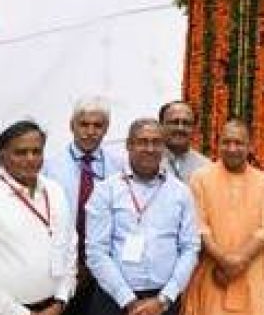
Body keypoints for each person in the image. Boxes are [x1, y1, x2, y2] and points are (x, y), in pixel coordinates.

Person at [0, 120, 75, 315]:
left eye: (37, 151)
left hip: (53, 308)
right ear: (1, 157)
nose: (30, 158)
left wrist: (61, 299)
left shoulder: (56, 192)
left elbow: (69, 247)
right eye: (20, 152)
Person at [85, 119, 201, 315]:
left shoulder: (181, 192)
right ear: (129, 145)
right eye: (142, 141)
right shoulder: (106, 191)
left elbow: (190, 248)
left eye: (156, 142)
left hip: (164, 301)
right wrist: (128, 300)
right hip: (114, 300)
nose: (150, 148)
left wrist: (164, 299)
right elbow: (96, 251)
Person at [182, 120, 264, 315]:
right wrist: (223, 260)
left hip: (251, 274)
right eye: (226, 142)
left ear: (250, 146)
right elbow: (198, 225)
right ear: (218, 144)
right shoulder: (200, 178)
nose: (232, 148)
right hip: (213, 273)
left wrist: (238, 262)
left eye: (239, 143)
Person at [44, 97, 127, 315]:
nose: (90, 131)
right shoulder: (50, 167)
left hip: (106, 268)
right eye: (84, 124)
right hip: (62, 266)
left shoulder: (120, 168)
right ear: (72, 126)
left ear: (106, 129)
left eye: (97, 125)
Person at [159, 101, 210, 184]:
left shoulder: (206, 167)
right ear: (161, 125)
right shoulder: (147, 162)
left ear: (194, 128)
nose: (180, 128)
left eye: (186, 123)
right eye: (174, 122)